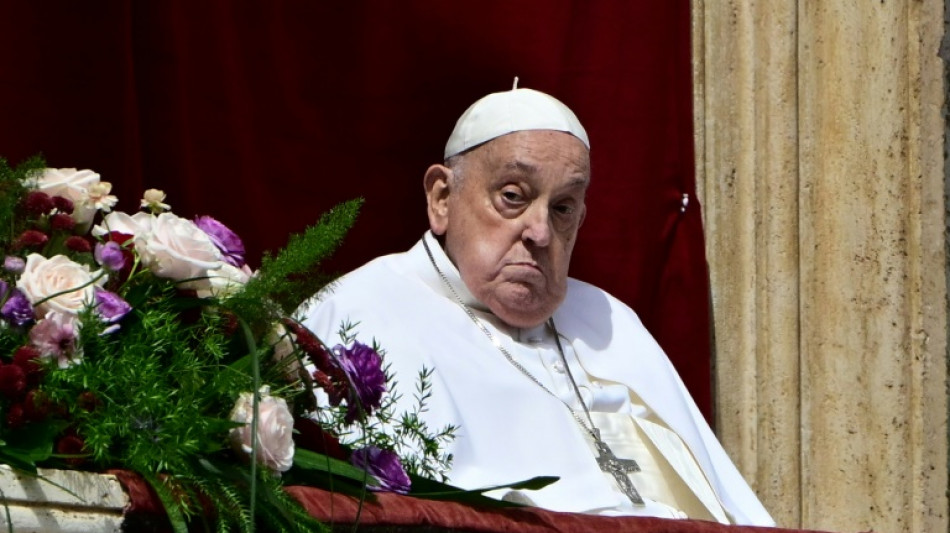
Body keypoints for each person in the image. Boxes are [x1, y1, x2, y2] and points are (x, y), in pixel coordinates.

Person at [297, 85, 774, 526]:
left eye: (562, 208)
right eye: (512, 197)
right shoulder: (359, 310)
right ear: (442, 197)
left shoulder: (610, 321)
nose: (539, 232)